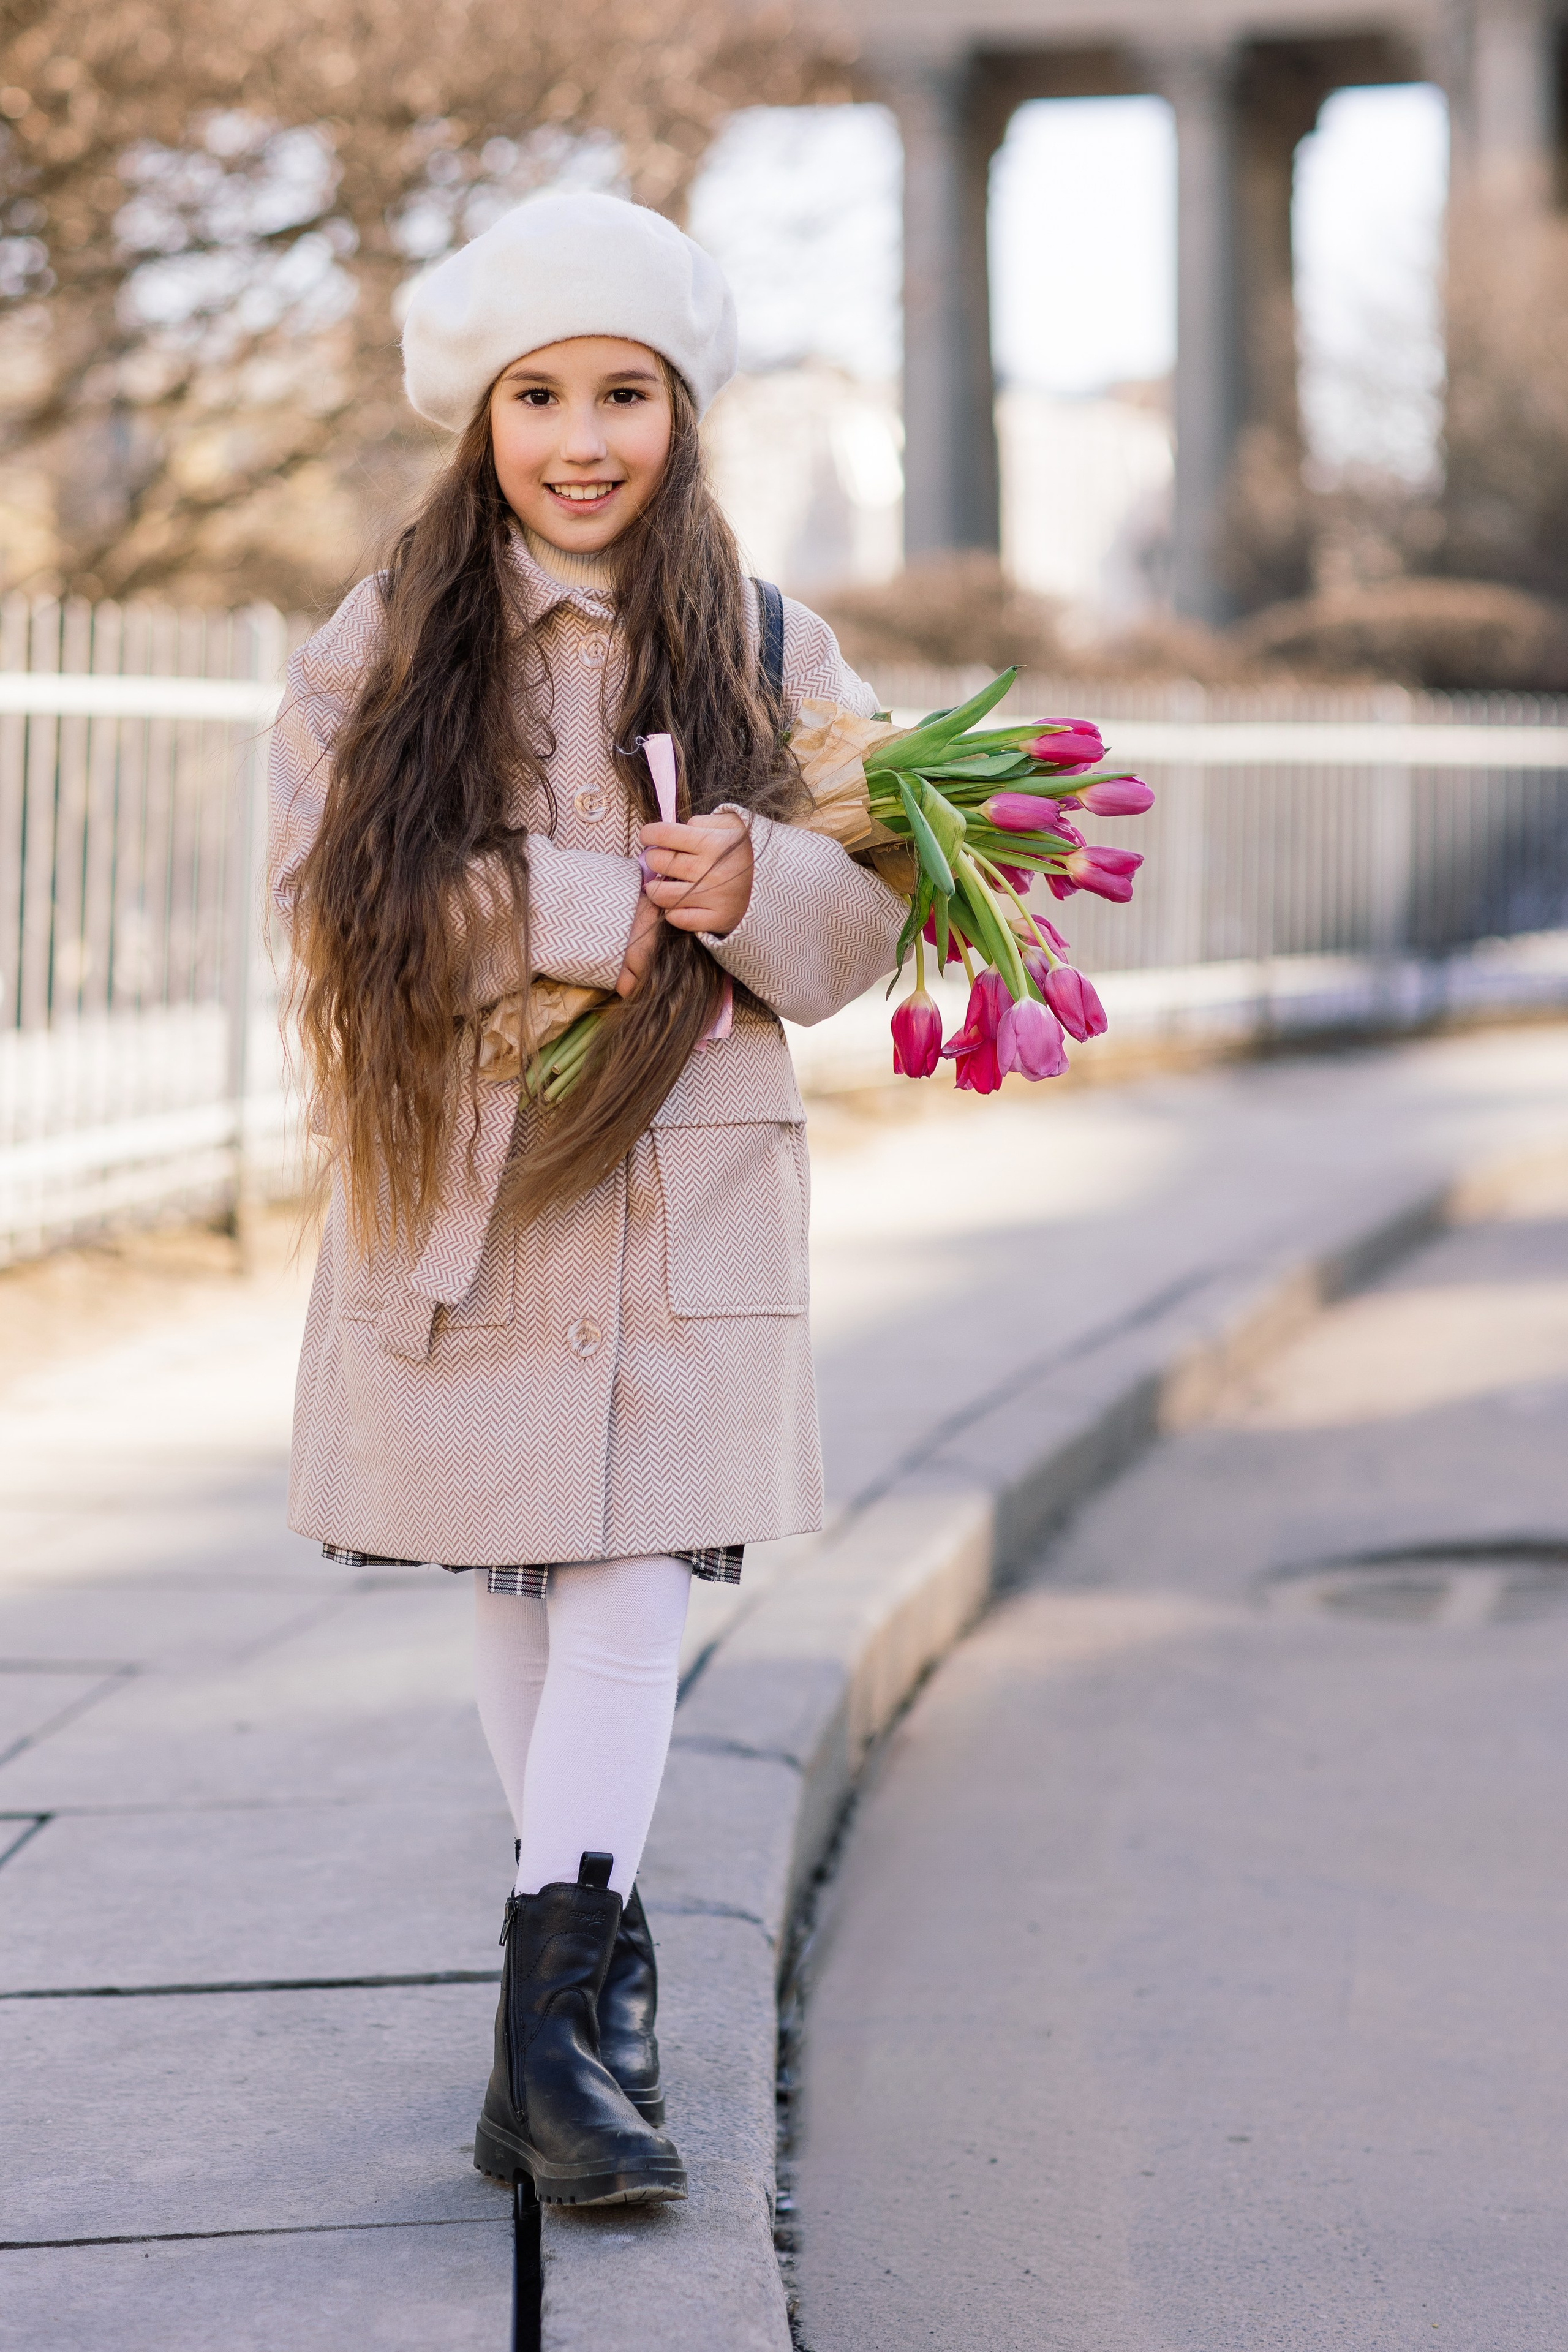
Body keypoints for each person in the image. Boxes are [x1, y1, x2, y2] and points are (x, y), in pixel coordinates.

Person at [268, 192, 904, 2209]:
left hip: (685, 1184)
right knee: (519, 1569)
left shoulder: (774, 645)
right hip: (470, 1169)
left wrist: (765, 883)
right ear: (480, 418)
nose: (582, 437)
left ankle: (549, 2035)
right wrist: (586, 901)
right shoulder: (386, 637)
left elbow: (871, 913)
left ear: (681, 410)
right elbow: (328, 896)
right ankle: (579, 2021)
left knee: (631, 1582)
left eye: (625, 392)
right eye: (538, 395)